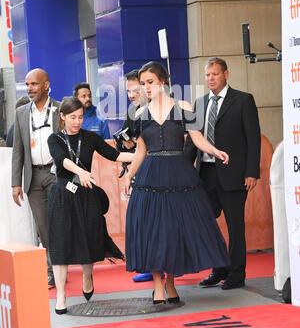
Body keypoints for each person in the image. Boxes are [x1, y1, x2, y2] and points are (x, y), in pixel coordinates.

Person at [123, 61, 230, 305]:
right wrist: (129, 175)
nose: (145, 87)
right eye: (142, 84)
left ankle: (170, 283)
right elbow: (140, 151)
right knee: (153, 232)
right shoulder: (138, 114)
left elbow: (197, 139)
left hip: (179, 175)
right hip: (150, 176)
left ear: (163, 81)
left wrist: (216, 151)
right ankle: (158, 286)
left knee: (174, 232)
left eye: (150, 82)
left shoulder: (183, 107)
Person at [47, 96, 134, 314]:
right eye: (72, 117)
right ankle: (60, 295)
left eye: (80, 117)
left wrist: (141, 152)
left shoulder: (91, 137)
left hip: (85, 195)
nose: (77, 121)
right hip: (62, 195)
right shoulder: (54, 138)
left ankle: (87, 275)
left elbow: (115, 155)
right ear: (63, 117)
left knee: (87, 238)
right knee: (60, 244)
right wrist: (81, 172)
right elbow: (62, 161)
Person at [184, 57, 261, 290]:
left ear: (226, 74)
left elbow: (253, 139)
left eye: (215, 74)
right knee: (206, 223)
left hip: (234, 174)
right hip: (205, 174)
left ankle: (236, 274)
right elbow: (192, 142)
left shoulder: (243, 100)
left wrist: (252, 172)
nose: (210, 79)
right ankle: (219, 269)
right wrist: (184, 170)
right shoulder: (199, 102)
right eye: (207, 75)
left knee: (235, 225)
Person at [11, 69, 60, 288]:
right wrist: (15, 183)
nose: (29, 88)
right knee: (43, 227)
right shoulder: (21, 112)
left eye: (34, 84)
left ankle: (61, 264)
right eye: (27, 84)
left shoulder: (61, 108)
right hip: (33, 177)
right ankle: (52, 269)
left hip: (57, 174)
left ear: (46, 85)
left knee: (59, 222)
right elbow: (18, 151)